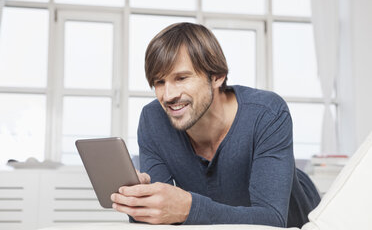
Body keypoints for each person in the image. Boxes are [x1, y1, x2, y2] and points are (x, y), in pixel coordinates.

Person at [110, 22, 321, 227]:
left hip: (299, 216)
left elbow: (272, 219)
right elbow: (162, 215)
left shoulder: (267, 112)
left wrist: (189, 208)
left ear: (217, 77)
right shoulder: (153, 119)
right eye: (159, 82)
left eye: (182, 78)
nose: (168, 95)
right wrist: (139, 200)